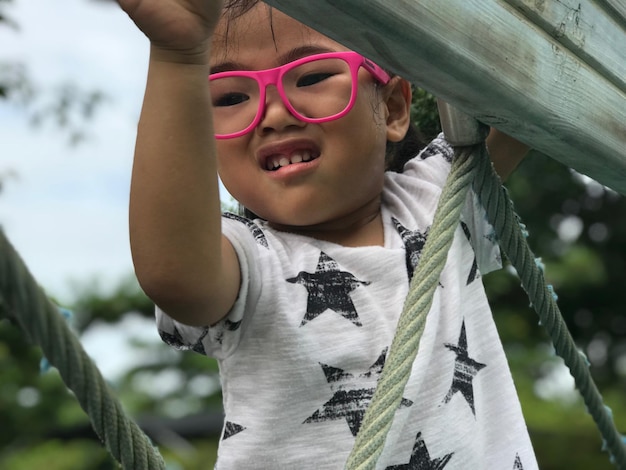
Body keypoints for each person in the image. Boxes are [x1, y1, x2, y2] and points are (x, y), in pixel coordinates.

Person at [118, 0, 536, 468]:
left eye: (313, 76)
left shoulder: (436, 204)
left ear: (394, 107)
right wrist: (177, 56)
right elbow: (174, 272)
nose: (273, 114)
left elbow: (532, 78)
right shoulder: (252, 262)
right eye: (230, 97)